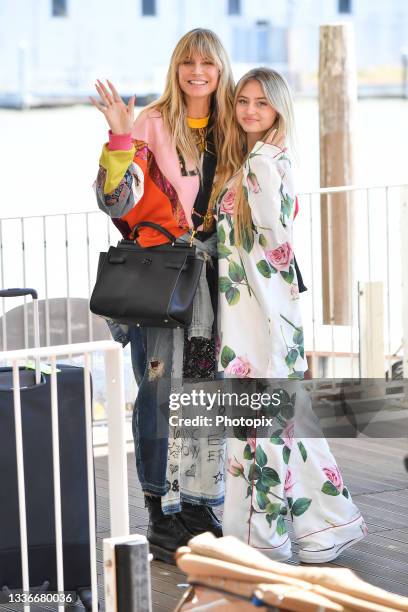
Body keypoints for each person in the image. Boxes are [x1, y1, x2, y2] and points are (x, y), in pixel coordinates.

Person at [90, 29, 236, 563]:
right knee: (157, 395)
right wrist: (119, 139)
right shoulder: (148, 122)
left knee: (205, 393)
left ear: (221, 70)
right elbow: (114, 201)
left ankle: (200, 507)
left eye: (208, 63)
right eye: (188, 63)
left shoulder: (234, 126)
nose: (197, 72)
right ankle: (161, 511)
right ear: (176, 68)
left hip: (218, 283)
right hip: (163, 278)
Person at [214, 68, 367, 562]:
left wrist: (275, 330)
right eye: (243, 100)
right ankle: (319, 532)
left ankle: (263, 542)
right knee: (285, 428)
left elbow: (274, 244)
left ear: (278, 108)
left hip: (258, 320)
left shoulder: (262, 161)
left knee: (259, 430)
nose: (250, 110)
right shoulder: (258, 160)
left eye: (262, 102)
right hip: (258, 317)